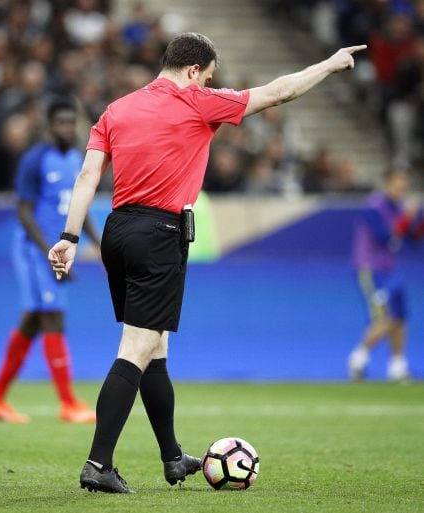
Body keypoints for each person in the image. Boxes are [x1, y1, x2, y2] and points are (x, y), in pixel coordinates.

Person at [48, 32, 366, 493]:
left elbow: (87, 175)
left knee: (155, 349)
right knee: (135, 348)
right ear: (194, 70)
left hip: (118, 231)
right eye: (209, 76)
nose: (209, 84)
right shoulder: (198, 102)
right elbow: (280, 92)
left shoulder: (116, 110)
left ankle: (173, 457)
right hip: (159, 234)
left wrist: (69, 237)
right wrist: (331, 64)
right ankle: (98, 464)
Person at [0, 98, 100, 425]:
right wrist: (50, 252)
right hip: (36, 250)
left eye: (70, 122)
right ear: (49, 125)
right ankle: (68, 403)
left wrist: (99, 244)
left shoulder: (78, 159)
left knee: (33, 321)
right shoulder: (35, 160)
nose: (66, 128)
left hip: (56, 249)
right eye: (60, 122)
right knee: (53, 318)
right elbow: (23, 212)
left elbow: (79, 209)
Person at [347, 168, 423, 382]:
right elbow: (386, 238)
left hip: (390, 269)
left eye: (404, 187)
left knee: (400, 316)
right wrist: (407, 217)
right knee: (384, 317)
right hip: (370, 269)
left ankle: (397, 366)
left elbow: (413, 239)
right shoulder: (374, 207)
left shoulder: (397, 208)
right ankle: (357, 360)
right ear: (388, 184)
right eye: (398, 186)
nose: (402, 191)